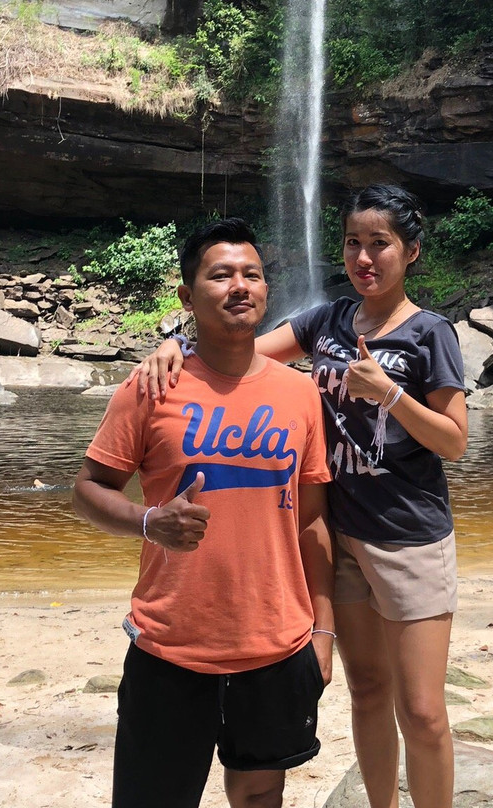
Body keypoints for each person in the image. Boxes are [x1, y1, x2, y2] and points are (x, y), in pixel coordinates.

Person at [132, 185, 468, 808]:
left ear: (412, 251)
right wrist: (174, 344)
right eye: (353, 244)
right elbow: (235, 350)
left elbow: (454, 441)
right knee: (367, 690)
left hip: (408, 534)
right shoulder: (328, 320)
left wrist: (389, 394)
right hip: (335, 531)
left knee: (420, 710)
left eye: (381, 244)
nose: (364, 257)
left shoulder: (430, 333)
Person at [72, 218, 334, 808]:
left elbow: (312, 521)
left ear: (268, 290)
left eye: (253, 274)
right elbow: (86, 489)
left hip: (279, 643)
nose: (240, 286)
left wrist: (323, 629)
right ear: (187, 297)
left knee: (261, 793)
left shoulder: (300, 394)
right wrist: (148, 520)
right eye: (221, 275)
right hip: (171, 645)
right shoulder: (149, 388)